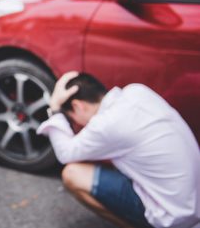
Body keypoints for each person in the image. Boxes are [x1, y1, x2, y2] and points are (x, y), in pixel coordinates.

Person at [38, 72, 200, 228]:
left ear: (77, 106)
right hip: (193, 204)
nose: (76, 124)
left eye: (71, 118)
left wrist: (54, 109)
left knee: (72, 174)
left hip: (174, 216)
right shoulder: (137, 91)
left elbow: (65, 154)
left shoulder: (106, 124)